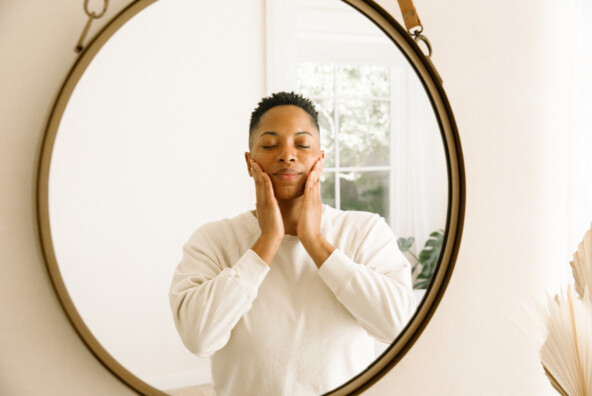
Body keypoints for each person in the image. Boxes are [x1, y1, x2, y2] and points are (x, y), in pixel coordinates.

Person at [169, 92, 416, 396]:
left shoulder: (365, 231)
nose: (287, 155)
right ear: (250, 162)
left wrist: (314, 242)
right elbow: (198, 337)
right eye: (270, 145)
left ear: (320, 160)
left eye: (302, 144)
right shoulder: (213, 240)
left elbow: (398, 326)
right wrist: (267, 241)